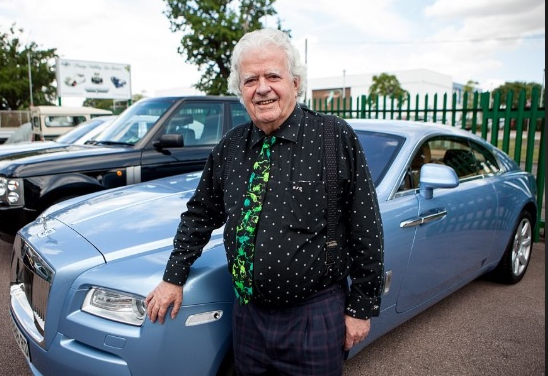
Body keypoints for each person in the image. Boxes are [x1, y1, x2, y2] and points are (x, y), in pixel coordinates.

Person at [146, 28, 384, 375]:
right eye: (250, 80)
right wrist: (173, 276)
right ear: (240, 90)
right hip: (248, 316)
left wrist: (361, 308)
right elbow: (200, 213)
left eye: (273, 75)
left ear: (296, 83)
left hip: (314, 316)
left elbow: (367, 226)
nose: (262, 88)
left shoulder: (334, 137)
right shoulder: (230, 146)